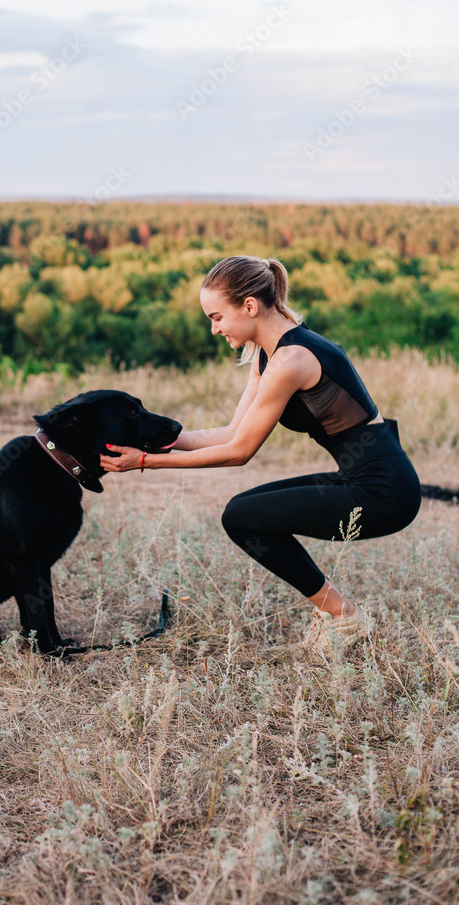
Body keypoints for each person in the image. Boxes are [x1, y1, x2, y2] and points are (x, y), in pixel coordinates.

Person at [99, 254, 422, 650]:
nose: (214, 329)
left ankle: (343, 618)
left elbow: (239, 452)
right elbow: (233, 431)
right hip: (360, 479)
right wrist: (150, 442)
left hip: (385, 492)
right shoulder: (268, 354)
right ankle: (340, 616)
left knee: (242, 517)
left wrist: (146, 462)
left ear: (249, 306)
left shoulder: (291, 359)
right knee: (245, 509)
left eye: (217, 317)